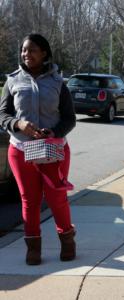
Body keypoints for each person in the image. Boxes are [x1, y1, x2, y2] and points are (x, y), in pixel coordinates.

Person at [0, 33, 76, 265]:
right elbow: (3, 115)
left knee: (56, 197)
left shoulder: (57, 82)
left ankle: (67, 240)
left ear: (44, 53)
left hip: (52, 149)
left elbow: (69, 118)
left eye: (32, 50)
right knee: (29, 200)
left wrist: (54, 132)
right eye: (24, 50)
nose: (27, 54)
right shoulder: (12, 81)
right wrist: (18, 124)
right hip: (21, 149)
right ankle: (33, 246)